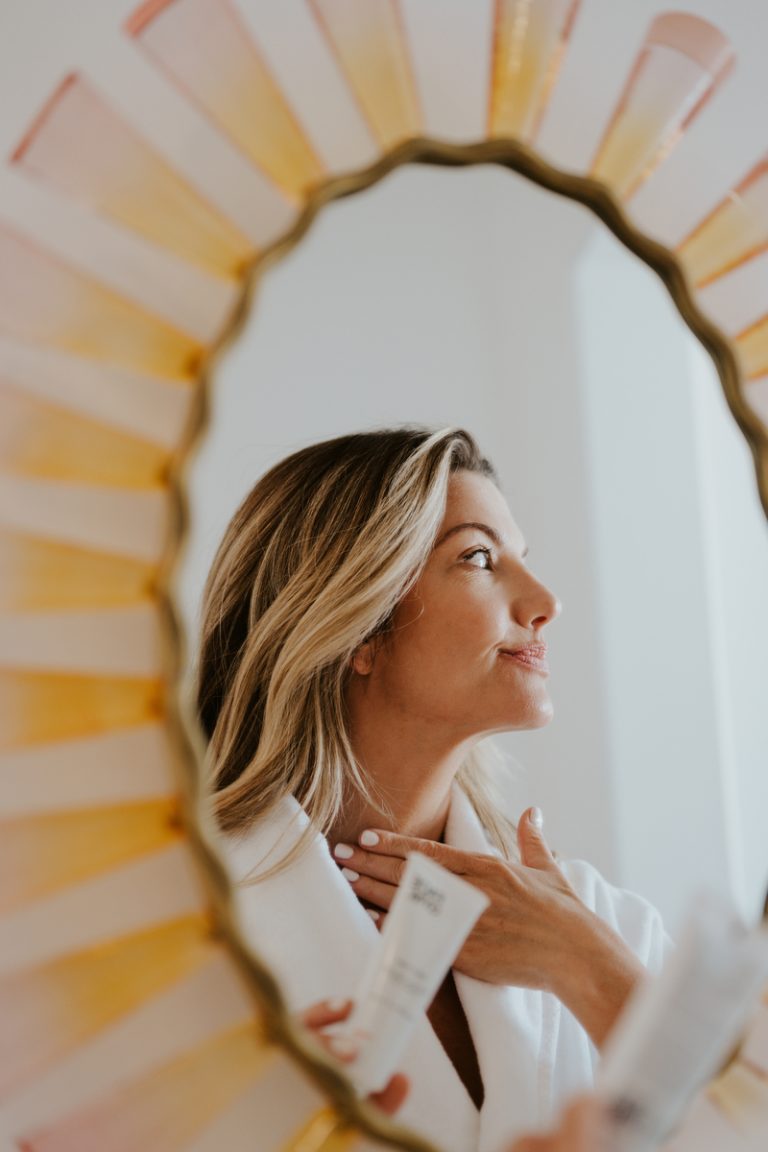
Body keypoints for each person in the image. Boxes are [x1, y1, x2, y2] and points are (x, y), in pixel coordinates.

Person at [197, 427, 670, 1152]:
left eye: (523, 559)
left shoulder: (606, 926)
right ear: (359, 625)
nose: (546, 602)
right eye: (479, 558)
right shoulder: (176, 936)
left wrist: (588, 968)